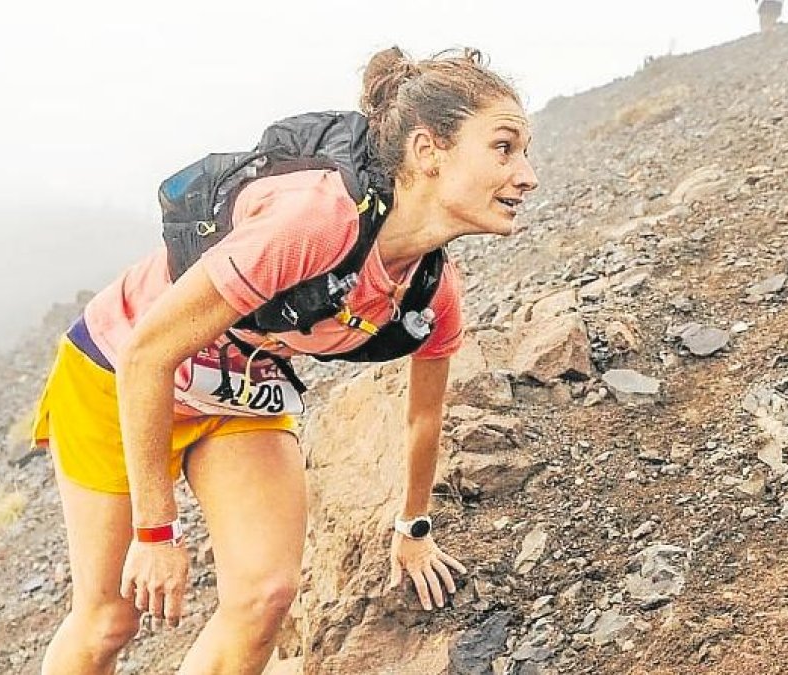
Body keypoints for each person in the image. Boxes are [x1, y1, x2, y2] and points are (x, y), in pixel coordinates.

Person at [31, 45, 539, 674]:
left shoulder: (433, 292)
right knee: (110, 619)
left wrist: (413, 529)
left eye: (524, 154)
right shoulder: (314, 219)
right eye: (504, 147)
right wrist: (157, 533)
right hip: (119, 369)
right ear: (428, 151)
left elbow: (423, 419)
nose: (527, 175)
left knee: (265, 595)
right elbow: (148, 356)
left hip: (239, 385)